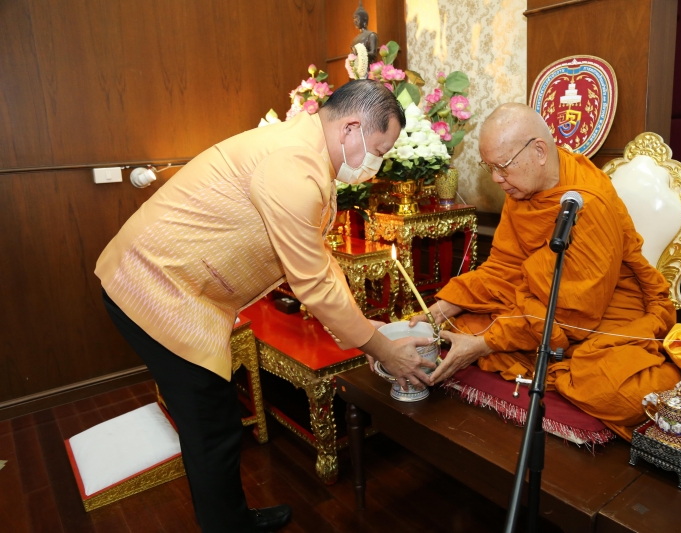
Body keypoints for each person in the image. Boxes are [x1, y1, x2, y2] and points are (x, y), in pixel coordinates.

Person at [96, 80, 434, 533]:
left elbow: (319, 257)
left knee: (212, 424)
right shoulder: (293, 165)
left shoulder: (307, 152)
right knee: (211, 427)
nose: (376, 164)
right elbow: (312, 280)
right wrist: (382, 349)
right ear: (351, 128)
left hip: (178, 288)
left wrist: (361, 326)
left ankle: (231, 519)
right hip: (155, 287)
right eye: (379, 148)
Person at [410, 103, 681, 439]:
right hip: (544, 304)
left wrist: (484, 345)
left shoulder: (588, 205)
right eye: (489, 167)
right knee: (454, 327)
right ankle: (546, 357)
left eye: (503, 166)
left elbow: (577, 312)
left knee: (610, 391)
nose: (497, 179)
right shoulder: (525, 187)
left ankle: (558, 363)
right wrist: (441, 309)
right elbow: (504, 267)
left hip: (604, 315)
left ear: (539, 150)